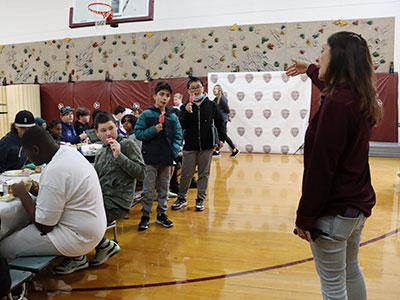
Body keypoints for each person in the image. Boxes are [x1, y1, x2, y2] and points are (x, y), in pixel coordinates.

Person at [286, 31, 382, 300]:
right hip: (355, 207)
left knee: (333, 286)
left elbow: (321, 169)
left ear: (338, 58)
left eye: (323, 51)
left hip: (334, 212)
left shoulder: (338, 105)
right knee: (351, 271)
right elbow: (334, 88)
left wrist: (304, 216)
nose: (318, 56)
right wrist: (311, 70)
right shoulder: (358, 94)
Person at [0, 126, 106, 276]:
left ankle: (16, 289)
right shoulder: (67, 153)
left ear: (35, 150)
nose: (28, 159)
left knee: (4, 247)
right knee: (21, 229)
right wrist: (36, 191)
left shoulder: (56, 169)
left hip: (79, 237)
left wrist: (23, 194)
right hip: (92, 228)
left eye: (27, 153)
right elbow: (63, 194)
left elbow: (44, 226)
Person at [93, 111, 146, 263]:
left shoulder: (127, 144)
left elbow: (142, 173)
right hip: (102, 199)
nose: (108, 133)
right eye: (103, 130)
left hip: (118, 202)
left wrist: (120, 156)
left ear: (117, 127)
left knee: (82, 218)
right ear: (97, 133)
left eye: (111, 128)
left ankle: (90, 250)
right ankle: (99, 246)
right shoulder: (100, 153)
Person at [134, 81, 183, 231]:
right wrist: (154, 130)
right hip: (150, 159)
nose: (164, 98)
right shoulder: (146, 115)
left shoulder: (172, 117)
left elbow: (178, 136)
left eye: (167, 96)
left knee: (164, 189)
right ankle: (145, 215)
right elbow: (139, 133)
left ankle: (161, 214)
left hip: (166, 159)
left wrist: (173, 152)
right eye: (161, 94)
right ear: (154, 96)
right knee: (148, 190)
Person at [171, 77, 224, 212]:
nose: (196, 90)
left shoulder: (211, 105)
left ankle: (200, 199)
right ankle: (182, 198)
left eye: (198, 87)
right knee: (186, 174)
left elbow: (219, 122)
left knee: (203, 174)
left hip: (207, 146)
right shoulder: (185, 107)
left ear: (203, 88)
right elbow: (181, 125)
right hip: (190, 146)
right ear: (189, 91)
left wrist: (221, 138)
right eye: (192, 88)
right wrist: (188, 113)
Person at [212, 84, 240, 158]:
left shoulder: (222, 99)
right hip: (218, 119)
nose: (215, 90)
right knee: (219, 134)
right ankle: (217, 151)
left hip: (222, 120)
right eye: (214, 89)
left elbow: (227, 109)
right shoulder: (216, 99)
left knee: (223, 135)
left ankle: (234, 149)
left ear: (220, 90)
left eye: (216, 89)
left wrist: (227, 116)